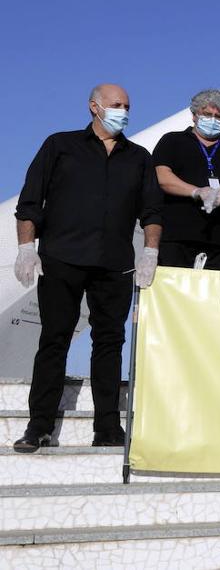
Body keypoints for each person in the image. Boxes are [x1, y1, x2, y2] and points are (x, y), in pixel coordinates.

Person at [12, 84, 162, 452]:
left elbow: (153, 211)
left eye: (127, 105)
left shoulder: (138, 157)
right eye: (116, 104)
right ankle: (39, 426)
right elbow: (31, 199)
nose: (123, 111)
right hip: (62, 258)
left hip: (114, 264)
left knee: (110, 343)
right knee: (55, 339)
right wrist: (25, 248)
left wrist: (151, 253)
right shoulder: (60, 145)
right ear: (94, 107)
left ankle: (108, 428)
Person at [152, 89, 220, 270]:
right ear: (194, 115)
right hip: (175, 239)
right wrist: (196, 192)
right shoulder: (172, 141)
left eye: (219, 116)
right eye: (207, 114)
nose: (213, 120)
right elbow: (162, 176)